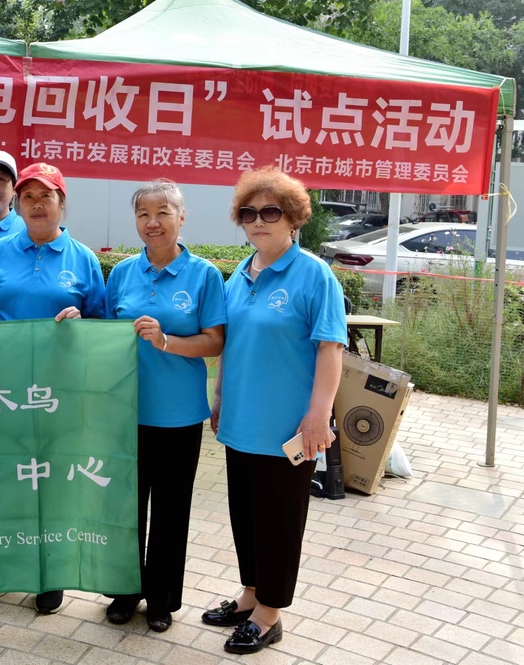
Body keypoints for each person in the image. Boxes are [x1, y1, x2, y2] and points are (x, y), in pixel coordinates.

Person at [204, 167, 345, 655]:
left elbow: (331, 348)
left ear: (293, 218)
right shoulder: (240, 275)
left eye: (270, 212)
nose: (258, 221)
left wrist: (318, 414)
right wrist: (219, 397)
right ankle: (250, 595)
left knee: (279, 523)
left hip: (288, 428)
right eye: (249, 213)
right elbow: (231, 343)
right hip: (240, 420)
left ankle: (269, 614)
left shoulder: (314, 274)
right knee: (245, 516)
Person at [0, 162, 106, 614]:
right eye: (27, 197)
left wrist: (82, 321)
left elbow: (103, 325)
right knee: (5, 477)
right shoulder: (0, 251)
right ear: (18, 204)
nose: (35, 204)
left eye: (45, 196)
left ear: (61, 203)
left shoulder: (83, 258)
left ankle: (52, 572)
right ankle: (2, 565)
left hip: (59, 392)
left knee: (52, 482)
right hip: (5, 389)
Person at [103, 179, 226, 632]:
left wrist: (167, 341)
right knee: (126, 509)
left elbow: (215, 341)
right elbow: (103, 336)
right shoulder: (121, 273)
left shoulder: (204, 275)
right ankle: (123, 591)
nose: (152, 222)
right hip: (125, 413)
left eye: (162, 213)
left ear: (181, 216)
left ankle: (161, 600)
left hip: (178, 415)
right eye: (143, 214)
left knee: (171, 512)